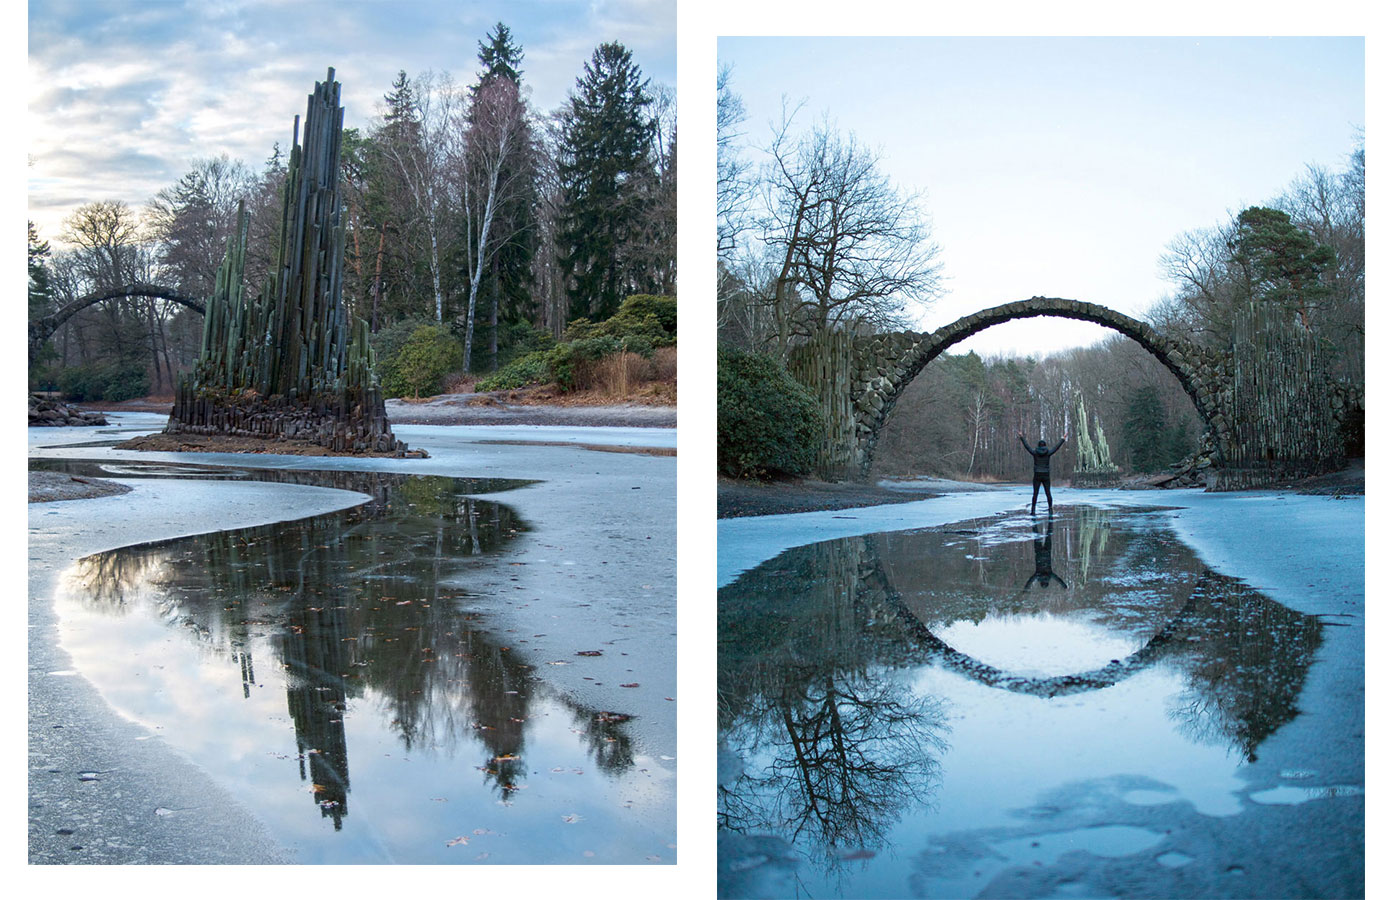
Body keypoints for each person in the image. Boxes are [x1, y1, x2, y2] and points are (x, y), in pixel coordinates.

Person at [1018, 431, 1067, 515]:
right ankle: (1050, 508)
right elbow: (1056, 447)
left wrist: (1022, 437)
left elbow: (1027, 447)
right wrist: (1063, 438)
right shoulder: (1048, 453)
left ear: (1038, 446)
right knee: (1048, 492)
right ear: (1045, 446)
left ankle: (1033, 510)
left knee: (1035, 493)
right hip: (1046, 475)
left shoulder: (1035, 453)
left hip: (1037, 474)